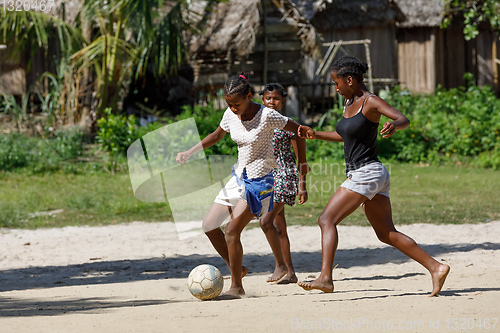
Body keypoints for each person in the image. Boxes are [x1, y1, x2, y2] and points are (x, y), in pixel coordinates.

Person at [297, 56, 450, 296]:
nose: (335, 88)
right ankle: (436, 267)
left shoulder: (371, 102)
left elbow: (403, 119)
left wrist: (393, 125)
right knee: (386, 233)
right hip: (373, 174)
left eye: (336, 83)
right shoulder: (349, 102)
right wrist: (315, 134)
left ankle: (326, 278)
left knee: (326, 220)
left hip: (367, 173)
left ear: (350, 79)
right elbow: (345, 136)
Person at [176, 73, 303, 298]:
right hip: (239, 177)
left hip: (262, 181)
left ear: (248, 96)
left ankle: (237, 287)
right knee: (209, 226)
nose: (232, 108)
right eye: (229, 104)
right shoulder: (230, 114)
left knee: (232, 231)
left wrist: (303, 166)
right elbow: (216, 136)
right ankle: (238, 268)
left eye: (236, 104)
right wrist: (190, 152)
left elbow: (298, 130)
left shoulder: (267, 115)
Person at [258, 83, 309, 284]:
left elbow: (302, 159)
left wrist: (302, 185)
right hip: (267, 178)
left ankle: (280, 267)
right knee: (280, 228)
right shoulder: (259, 123)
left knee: (265, 221)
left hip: (285, 176)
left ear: (283, 101)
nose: (272, 102)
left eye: (276, 98)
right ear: (262, 99)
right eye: (268, 98)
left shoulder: (290, 126)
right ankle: (290, 273)